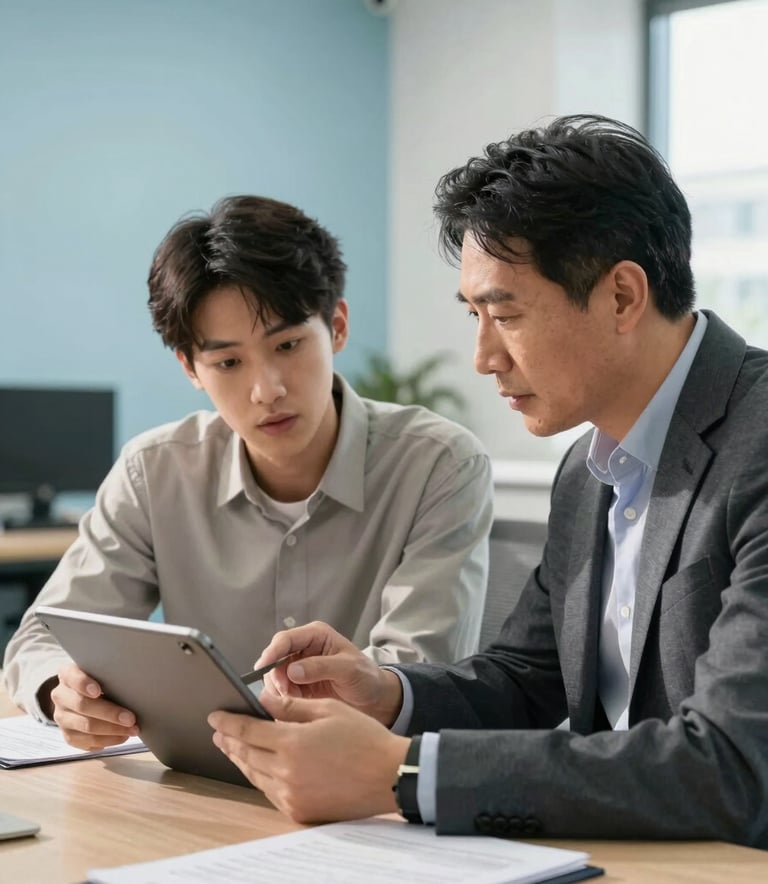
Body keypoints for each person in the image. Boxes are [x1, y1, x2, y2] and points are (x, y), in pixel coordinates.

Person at [205, 116, 768, 848]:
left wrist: (406, 774)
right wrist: (385, 694)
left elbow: (732, 764)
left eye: (505, 314)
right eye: (475, 314)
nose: (483, 357)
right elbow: (527, 677)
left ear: (623, 297)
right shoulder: (588, 468)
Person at [3, 195, 493, 749]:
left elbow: (420, 677)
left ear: (336, 327)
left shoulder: (438, 466)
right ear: (190, 367)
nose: (267, 390)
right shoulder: (154, 471)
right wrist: (63, 692)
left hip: (360, 780)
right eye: (228, 362)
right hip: (203, 775)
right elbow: (41, 637)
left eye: (288, 345)